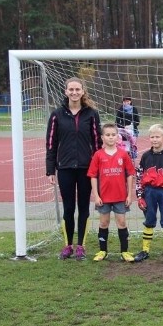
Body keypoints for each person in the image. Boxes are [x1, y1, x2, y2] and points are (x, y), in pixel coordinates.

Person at [46, 77, 102, 261]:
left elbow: (97, 143)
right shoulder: (57, 115)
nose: (74, 92)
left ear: (83, 91)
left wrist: (97, 168)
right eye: (71, 89)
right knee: (68, 208)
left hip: (86, 168)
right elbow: (51, 144)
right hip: (65, 168)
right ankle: (68, 245)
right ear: (65, 92)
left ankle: (81, 246)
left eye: (78, 89)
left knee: (84, 207)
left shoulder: (92, 114)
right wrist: (50, 170)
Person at [87, 123, 136, 262]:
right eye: (107, 135)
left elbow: (130, 174)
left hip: (120, 196)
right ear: (102, 137)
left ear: (117, 137)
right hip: (103, 197)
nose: (110, 137)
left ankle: (125, 251)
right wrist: (96, 195)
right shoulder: (98, 155)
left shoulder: (123, 154)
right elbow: (93, 176)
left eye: (113, 135)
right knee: (103, 223)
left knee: (121, 222)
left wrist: (129, 195)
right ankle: (103, 251)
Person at [133, 124, 163, 265]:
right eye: (152, 136)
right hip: (149, 192)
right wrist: (140, 196)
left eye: (157, 136)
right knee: (149, 220)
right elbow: (139, 176)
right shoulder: (146, 156)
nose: (154, 139)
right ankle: (145, 250)